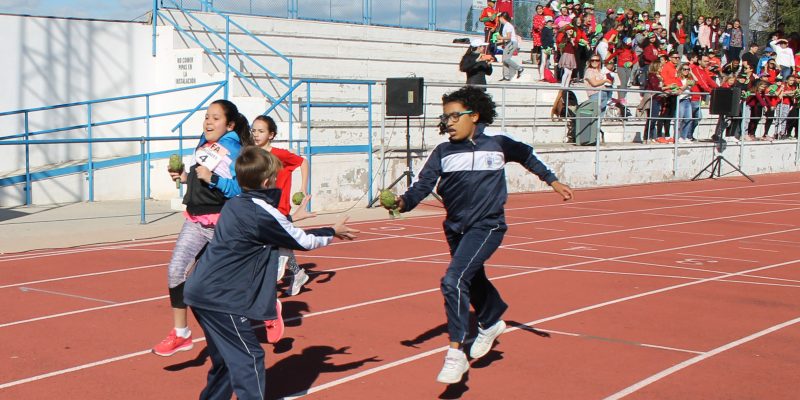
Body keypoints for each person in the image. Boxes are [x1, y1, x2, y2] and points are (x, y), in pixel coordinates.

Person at [383, 86, 574, 384]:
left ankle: (455, 351)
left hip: (488, 225)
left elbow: (527, 155)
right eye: (445, 117)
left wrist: (552, 180)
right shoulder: (443, 152)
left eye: (454, 116)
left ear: (474, 116)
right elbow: (422, 185)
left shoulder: (497, 144)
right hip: (455, 228)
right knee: (471, 279)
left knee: (453, 280)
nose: (448, 122)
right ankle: (492, 319)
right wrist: (403, 203)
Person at [184, 146, 358, 400]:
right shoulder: (261, 212)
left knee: (226, 360)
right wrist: (332, 232)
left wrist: (293, 218)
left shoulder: (235, 203)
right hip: (220, 298)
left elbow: (272, 226)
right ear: (268, 182)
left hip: (200, 291)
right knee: (249, 358)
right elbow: (302, 241)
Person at [152, 99, 253, 357]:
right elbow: (202, 181)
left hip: (223, 225)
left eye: (216, 118)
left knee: (224, 284)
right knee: (176, 271)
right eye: (207, 116)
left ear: (230, 125)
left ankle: (265, 309)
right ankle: (181, 333)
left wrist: (214, 178)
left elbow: (241, 189)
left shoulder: (234, 150)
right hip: (196, 219)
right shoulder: (205, 143)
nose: (208, 122)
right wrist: (185, 178)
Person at [251, 115, 311, 298]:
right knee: (276, 242)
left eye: (261, 131)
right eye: (254, 130)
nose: (256, 134)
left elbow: (303, 162)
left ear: (271, 135)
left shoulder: (280, 154)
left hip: (279, 206)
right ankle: (297, 274)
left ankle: (271, 277)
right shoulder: (253, 154)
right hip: (261, 204)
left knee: (272, 242)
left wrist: (303, 187)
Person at [497, 12, 524, 81]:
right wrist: (499, 42)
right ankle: (506, 76)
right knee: (504, 59)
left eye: (499, 18)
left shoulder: (508, 25)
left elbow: (509, 37)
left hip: (511, 43)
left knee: (506, 59)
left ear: (502, 18)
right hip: (508, 43)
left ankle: (519, 68)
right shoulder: (505, 25)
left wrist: (500, 37)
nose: (498, 19)